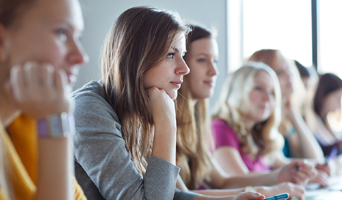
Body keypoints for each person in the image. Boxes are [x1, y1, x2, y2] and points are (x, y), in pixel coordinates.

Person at [71, 6, 265, 200]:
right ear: (137, 58)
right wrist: (167, 124)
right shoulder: (89, 111)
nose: (184, 68)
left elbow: (165, 192)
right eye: (171, 55)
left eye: (183, 55)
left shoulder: (140, 107)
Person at [174, 25, 306, 199]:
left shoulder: (197, 123)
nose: (214, 71)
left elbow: (222, 181)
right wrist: (266, 190)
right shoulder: (215, 126)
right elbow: (178, 195)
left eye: (215, 61)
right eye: (202, 60)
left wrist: (277, 176)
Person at [0, 0, 88, 199]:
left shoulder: (28, 118)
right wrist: (56, 123)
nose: (81, 57)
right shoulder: (45, 118)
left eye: (77, 36)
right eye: (61, 32)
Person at [246, 50, 324, 161]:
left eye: (288, 68)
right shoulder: (261, 119)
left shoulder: (286, 115)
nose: (289, 75)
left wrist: (294, 116)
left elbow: (315, 157)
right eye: (279, 72)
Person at [307, 73, 342, 157]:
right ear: (324, 96)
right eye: (337, 98)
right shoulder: (310, 119)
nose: (339, 105)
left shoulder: (324, 120)